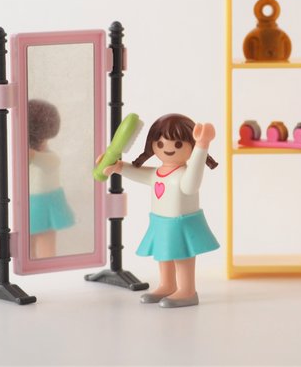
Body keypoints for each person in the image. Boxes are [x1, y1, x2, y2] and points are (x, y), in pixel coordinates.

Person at [103, 113, 219, 308]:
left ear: (191, 145)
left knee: (182, 256)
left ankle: (187, 290)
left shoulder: (184, 175)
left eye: (178, 144)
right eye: (160, 143)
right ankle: (167, 285)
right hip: (160, 221)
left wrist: (202, 146)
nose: (168, 148)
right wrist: (119, 167)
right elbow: (139, 174)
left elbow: (191, 184)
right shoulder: (157, 173)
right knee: (163, 253)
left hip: (181, 223)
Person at [28, 99, 75, 259]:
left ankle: (45, 264)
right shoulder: (41, 156)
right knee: (31, 243)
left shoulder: (47, 158)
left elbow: (39, 158)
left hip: (45, 203)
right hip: (33, 202)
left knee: (45, 242)